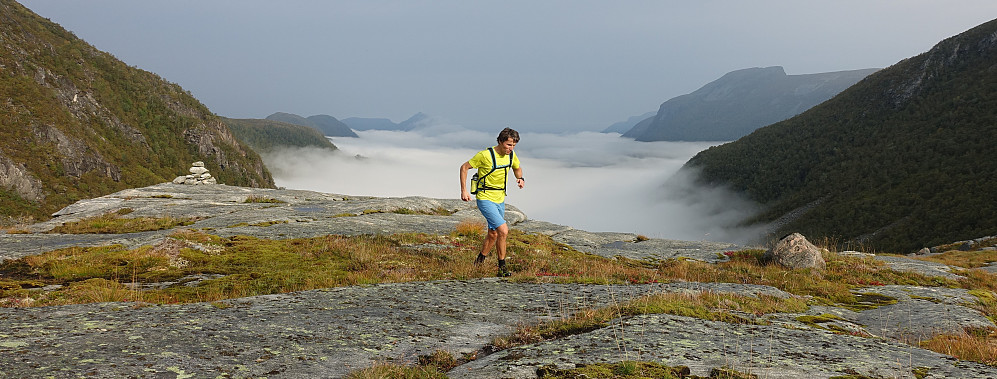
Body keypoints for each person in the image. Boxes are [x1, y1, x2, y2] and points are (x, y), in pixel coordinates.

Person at [459, 128, 525, 277]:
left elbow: (517, 167)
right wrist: (464, 190)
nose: (511, 148)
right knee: (503, 230)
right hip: (485, 198)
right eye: (508, 145)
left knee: (493, 233)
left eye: (514, 145)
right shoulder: (485, 155)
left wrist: (520, 178)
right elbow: (464, 167)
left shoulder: (511, 155)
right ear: (500, 141)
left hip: (500, 199)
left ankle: (479, 261)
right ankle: (502, 268)